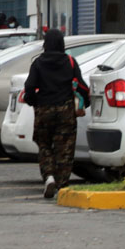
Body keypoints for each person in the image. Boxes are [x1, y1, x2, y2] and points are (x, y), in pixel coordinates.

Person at [22, 28, 90, 199]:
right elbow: (82, 87)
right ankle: (62, 186)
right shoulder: (70, 62)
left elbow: (29, 88)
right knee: (64, 149)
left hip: (44, 109)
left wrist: (34, 102)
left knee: (44, 145)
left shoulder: (38, 63)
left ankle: (49, 177)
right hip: (65, 110)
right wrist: (85, 103)